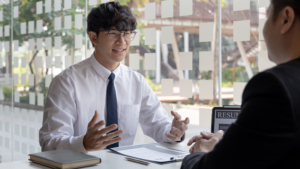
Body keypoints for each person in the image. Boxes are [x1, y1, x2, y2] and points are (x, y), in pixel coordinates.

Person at [39, 2, 189, 153]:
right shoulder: (67, 82)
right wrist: (83, 143)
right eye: (114, 33)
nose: (122, 42)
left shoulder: (136, 82)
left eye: (127, 34)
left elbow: (158, 124)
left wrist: (174, 131)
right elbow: (49, 141)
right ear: (93, 37)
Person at [181, 0, 300, 168]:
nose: (263, 30)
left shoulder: (276, 87)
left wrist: (202, 152)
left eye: (266, 17)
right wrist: (231, 144)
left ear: (286, 19)